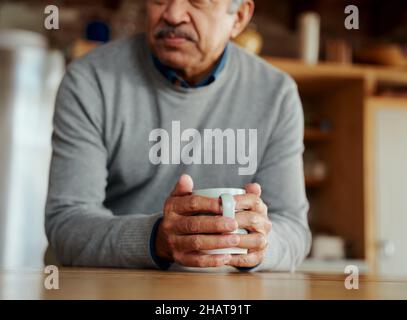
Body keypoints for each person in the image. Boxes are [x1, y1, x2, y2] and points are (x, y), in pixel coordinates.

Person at [45, 0, 311, 272]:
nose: (172, 14)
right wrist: (155, 239)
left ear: (239, 18)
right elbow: (66, 224)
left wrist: (260, 245)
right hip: (114, 288)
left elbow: (293, 230)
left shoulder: (276, 94)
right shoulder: (90, 80)